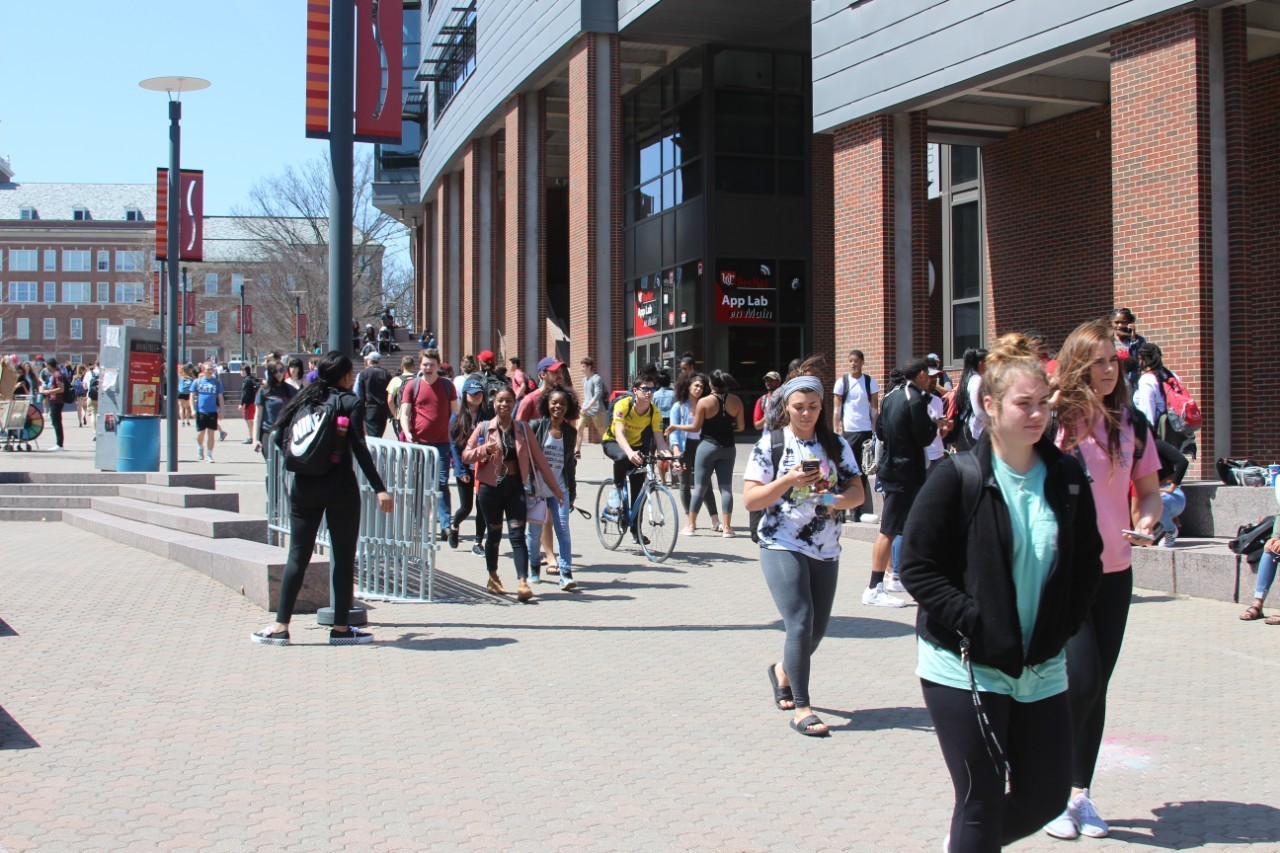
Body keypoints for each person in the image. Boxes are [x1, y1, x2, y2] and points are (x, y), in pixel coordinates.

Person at [899, 333, 1103, 853]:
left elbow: (1086, 562)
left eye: (1043, 404)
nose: (1037, 415)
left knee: (1046, 797)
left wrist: (1064, 622)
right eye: (1023, 404)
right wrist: (973, 619)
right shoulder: (957, 476)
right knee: (980, 800)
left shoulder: (1066, 475)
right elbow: (917, 568)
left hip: (1041, 666)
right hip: (964, 666)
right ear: (989, 405)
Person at [1044, 319, 1162, 841]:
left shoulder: (1130, 422)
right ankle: (1047, 788)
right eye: (1098, 361)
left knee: (1097, 688)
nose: (1110, 369)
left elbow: (1150, 492)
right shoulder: (1055, 422)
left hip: (1116, 572)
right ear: (1076, 365)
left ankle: (1079, 795)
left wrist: (1147, 521)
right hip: (1065, 573)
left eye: (1114, 360)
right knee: (1083, 680)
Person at [743, 374, 864, 738]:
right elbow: (751, 499)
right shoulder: (772, 444)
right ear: (786, 408)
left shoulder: (837, 445)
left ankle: (782, 670)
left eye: (813, 407)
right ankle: (803, 708)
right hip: (781, 541)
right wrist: (788, 482)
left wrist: (831, 499)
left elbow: (858, 492)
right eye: (799, 407)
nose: (806, 413)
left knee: (816, 630)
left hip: (826, 546)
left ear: (822, 406)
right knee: (800, 619)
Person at [251, 352, 394, 647]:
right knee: (341, 558)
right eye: (350, 373)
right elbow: (359, 448)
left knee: (297, 556)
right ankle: (341, 630)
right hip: (340, 487)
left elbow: (278, 438)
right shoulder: (349, 403)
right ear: (343, 376)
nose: (353, 377)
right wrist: (379, 487)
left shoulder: (304, 399)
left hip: (303, 486)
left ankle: (280, 627)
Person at [463, 387, 564, 602]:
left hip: (516, 487)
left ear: (513, 403)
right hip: (490, 489)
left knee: (518, 536)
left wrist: (556, 490)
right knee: (495, 535)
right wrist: (484, 451)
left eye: (508, 400)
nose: (504, 404)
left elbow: (541, 462)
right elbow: (466, 455)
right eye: (500, 400)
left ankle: (522, 582)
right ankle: (493, 576)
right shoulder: (483, 428)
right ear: (494, 403)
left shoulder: (523, 429)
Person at [865, 359, 936, 606]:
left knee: (897, 527)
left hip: (893, 470)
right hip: (904, 473)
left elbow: (881, 432)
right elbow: (925, 437)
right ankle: (874, 587)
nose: (933, 381)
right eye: (931, 376)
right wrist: (937, 425)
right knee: (888, 530)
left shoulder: (890, 397)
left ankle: (894, 577)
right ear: (922, 375)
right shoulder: (914, 398)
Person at [666, 369, 744, 537]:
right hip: (729, 448)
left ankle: (691, 525)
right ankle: (727, 528)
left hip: (707, 446)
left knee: (700, 487)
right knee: (726, 489)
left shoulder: (705, 402)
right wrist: (727, 426)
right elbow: (741, 427)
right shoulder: (736, 401)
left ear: (711, 384)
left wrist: (676, 427)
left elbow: (695, 427)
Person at [603, 372, 675, 544]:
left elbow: (660, 442)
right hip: (614, 442)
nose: (650, 392)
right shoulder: (623, 405)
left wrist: (672, 459)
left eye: (653, 389)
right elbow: (619, 434)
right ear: (636, 390)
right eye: (645, 389)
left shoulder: (653, 412)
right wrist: (629, 453)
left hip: (636, 447)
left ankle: (636, 532)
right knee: (621, 457)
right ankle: (616, 490)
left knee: (638, 493)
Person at [400, 349, 459, 537]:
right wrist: (407, 432)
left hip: (442, 444)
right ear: (420, 365)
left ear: (438, 366)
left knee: (441, 483)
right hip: (419, 443)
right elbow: (404, 413)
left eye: (431, 365)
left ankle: (445, 524)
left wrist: (456, 434)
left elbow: (456, 412)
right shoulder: (412, 386)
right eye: (425, 364)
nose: (428, 368)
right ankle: (418, 524)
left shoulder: (447, 386)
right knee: (418, 484)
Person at [526, 388, 579, 589]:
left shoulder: (570, 433)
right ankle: (533, 568)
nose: (558, 407)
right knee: (534, 532)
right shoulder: (535, 426)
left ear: (569, 407)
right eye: (554, 403)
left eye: (563, 404)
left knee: (563, 529)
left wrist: (572, 493)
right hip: (537, 489)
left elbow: (569, 464)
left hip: (560, 489)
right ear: (547, 404)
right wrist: (527, 487)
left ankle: (566, 573)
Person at [832, 349, 881, 523]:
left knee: (862, 472)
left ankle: (857, 511)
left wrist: (875, 432)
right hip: (848, 432)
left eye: (856, 361)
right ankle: (839, 509)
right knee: (844, 469)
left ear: (862, 362)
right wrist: (837, 432)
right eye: (851, 361)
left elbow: (874, 409)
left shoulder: (870, 382)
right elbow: (837, 410)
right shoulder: (842, 382)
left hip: (865, 431)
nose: (853, 364)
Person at [669, 372, 720, 533]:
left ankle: (715, 520)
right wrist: (677, 453)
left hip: (702, 446)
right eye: (696, 385)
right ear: (688, 386)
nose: (699, 389)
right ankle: (690, 519)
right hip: (685, 448)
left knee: (706, 484)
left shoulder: (704, 405)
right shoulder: (679, 406)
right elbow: (674, 432)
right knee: (685, 483)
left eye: (701, 386)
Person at [448, 377, 488, 555]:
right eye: (472, 394)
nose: (476, 396)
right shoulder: (457, 417)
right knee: (466, 508)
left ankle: (478, 543)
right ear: (465, 396)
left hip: (483, 468)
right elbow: (454, 447)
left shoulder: (487, 416)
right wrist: (461, 470)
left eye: (479, 393)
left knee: (483, 505)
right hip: (465, 468)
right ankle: (454, 525)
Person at [252, 361, 298, 459]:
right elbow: (257, 416)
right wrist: (255, 439)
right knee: (272, 463)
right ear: (270, 373)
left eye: (281, 370)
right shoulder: (263, 391)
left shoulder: (291, 390)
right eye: (275, 371)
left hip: (286, 433)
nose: (279, 374)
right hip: (268, 432)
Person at [1154, 438, 1189, 548]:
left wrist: (1172, 486)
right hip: (1151, 494)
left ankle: (1170, 529)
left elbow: (1182, 462)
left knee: (1154, 502)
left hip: (1171, 495)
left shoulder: (1156, 444)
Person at [353, 352, 392, 439]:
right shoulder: (386, 373)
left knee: (373, 435)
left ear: (369, 360)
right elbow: (390, 392)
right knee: (379, 433)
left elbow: (358, 393)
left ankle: (374, 452)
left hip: (370, 408)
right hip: (383, 408)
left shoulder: (363, 373)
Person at [192, 361, 225, 463]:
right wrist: (193, 409)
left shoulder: (216, 382)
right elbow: (191, 396)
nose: (210, 371)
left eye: (211, 369)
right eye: (208, 369)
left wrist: (221, 411)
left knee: (211, 434)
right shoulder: (197, 382)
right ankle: (200, 446)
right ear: (203, 370)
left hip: (212, 411)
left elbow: (220, 397)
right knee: (201, 433)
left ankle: (209, 455)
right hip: (201, 411)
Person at [576, 356, 607, 458]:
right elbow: (587, 396)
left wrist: (588, 406)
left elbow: (597, 394)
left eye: (584, 366)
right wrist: (583, 407)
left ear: (589, 367)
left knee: (601, 430)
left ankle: (609, 448)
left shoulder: (596, 378)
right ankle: (577, 451)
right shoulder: (583, 380)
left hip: (597, 409)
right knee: (579, 427)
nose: (582, 369)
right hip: (586, 409)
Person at [516, 357, 564, 421]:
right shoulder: (529, 400)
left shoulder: (566, 398)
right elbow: (519, 428)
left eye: (560, 371)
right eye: (555, 372)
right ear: (543, 375)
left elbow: (571, 428)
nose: (560, 375)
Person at [1110, 308, 1146, 390]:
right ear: (1112, 323)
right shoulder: (1108, 340)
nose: (1119, 325)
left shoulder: (1139, 341)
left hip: (1132, 383)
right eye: (1116, 322)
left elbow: (1140, 362)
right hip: (1114, 382)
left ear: (1130, 323)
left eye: (1123, 322)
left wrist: (1133, 340)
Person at [386, 355, 418, 441]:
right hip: (417, 416)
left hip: (401, 416)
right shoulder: (419, 380)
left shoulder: (396, 380)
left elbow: (390, 400)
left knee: (402, 440)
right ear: (414, 366)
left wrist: (395, 414)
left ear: (401, 366)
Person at [41, 358, 71, 451]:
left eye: (47, 365)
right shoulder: (55, 374)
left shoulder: (57, 375)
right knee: (55, 422)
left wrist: (48, 391)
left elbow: (61, 389)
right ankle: (59, 443)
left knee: (56, 422)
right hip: (54, 400)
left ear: (50, 365)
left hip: (57, 401)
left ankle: (59, 444)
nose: (46, 368)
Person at [238, 365, 259, 444]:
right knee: (251, 421)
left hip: (249, 403)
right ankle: (253, 436)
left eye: (241, 370)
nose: (240, 372)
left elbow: (245, 393)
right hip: (253, 402)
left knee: (249, 421)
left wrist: (241, 403)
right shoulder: (252, 378)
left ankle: (251, 437)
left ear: (244, 371)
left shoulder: (246, 380)